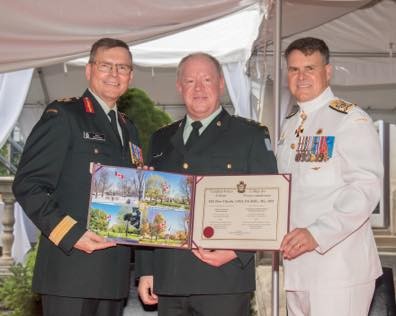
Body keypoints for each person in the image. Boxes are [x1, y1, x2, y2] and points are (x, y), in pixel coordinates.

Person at [135, 52, 277, 316]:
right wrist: (147, 269)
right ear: (179, 87)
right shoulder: (161, 139)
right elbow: (149, 206)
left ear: (221, 84)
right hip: (170, 279)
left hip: (223, 280)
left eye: (207, 80)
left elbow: (268, 204)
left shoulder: (250, 135)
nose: (198, 88)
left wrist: (237, 251)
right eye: (190, 81)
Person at [12, 38, 142, 316]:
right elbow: (28, 184)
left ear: (130, 76)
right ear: (89, 70)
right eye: (106, 66)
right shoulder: (64, 115)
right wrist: (71, 234)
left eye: (122, 68)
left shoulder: (129, 129)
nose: (114, 74)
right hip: (69, 270)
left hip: (114, 276)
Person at [278, 37, 383, 316]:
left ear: (328, 71)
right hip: (296, 269)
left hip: (338, 269)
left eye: (309, 68)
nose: (300, 77)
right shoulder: (289, 126)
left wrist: (318, 233)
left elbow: (365, 189)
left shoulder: (349, 119)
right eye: (293, 69)